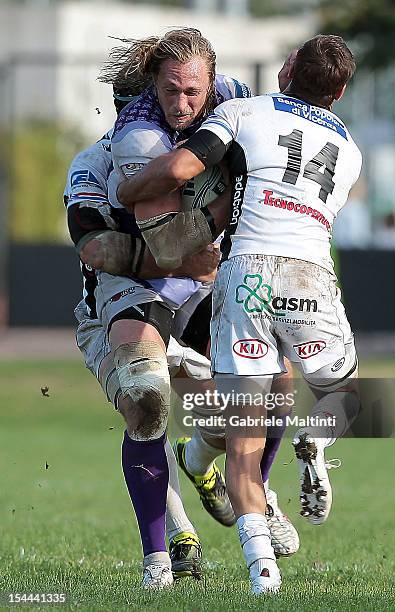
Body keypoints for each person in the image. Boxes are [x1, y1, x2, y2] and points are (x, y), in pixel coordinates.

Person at [115, 34, 362, 594]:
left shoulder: (242, 110)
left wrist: (130, 189)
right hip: (309, 275)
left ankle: (262, 575)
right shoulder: (350, 148)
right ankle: (317, 441)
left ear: (287, 68)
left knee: (243, 436)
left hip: (246, 274)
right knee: (343, 396)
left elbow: (177, 168)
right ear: (341, 92)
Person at [68, 28, 298, 590]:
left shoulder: (225, 115)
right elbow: (99, 247)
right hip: (127, 295)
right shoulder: (108, 156)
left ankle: (248, 486)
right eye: (162, 96)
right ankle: (158, 563)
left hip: (197, 290)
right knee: (147, 398)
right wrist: (206, 226)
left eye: (191, 93)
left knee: (276, 379)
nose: (179, 108)